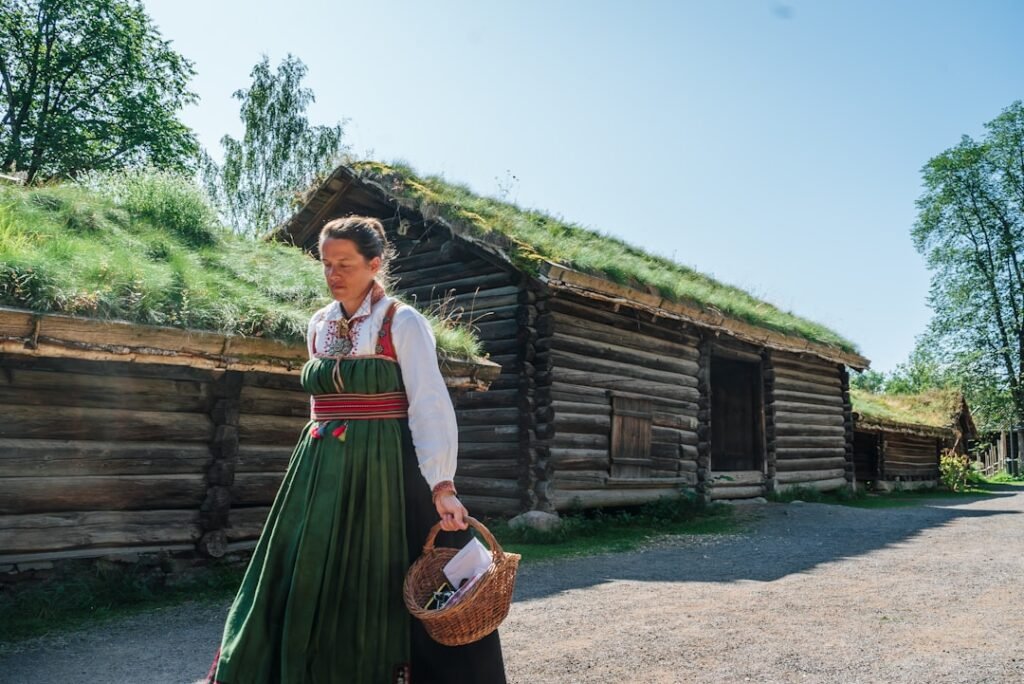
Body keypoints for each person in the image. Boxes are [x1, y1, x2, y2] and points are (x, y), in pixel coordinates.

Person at [203, 215, 507, 683]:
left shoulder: (400, 323)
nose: (333, 274)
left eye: (344, 263)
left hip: (384, 468)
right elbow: (318, 403)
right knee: (303, 573)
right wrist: (314, 456)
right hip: (321, 464)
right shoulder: (318, 325)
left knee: (386, 572)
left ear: (374, 264)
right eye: (326, 264)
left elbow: (429, 405)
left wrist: (442, 485)